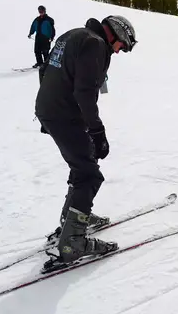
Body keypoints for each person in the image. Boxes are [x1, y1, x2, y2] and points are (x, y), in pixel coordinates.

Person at [35, 15, 137, 268]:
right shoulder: (95, 44)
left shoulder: (73, 34)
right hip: (64, 114)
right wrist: (97, 132)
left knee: (81, 166)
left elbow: (45, 70)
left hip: (52, 110)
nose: (120, 51)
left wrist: (48, 111)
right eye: (122, 46)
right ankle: (72, 242)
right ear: (115, 35)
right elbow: (85, 92)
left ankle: (72, 219)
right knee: (90, 175)